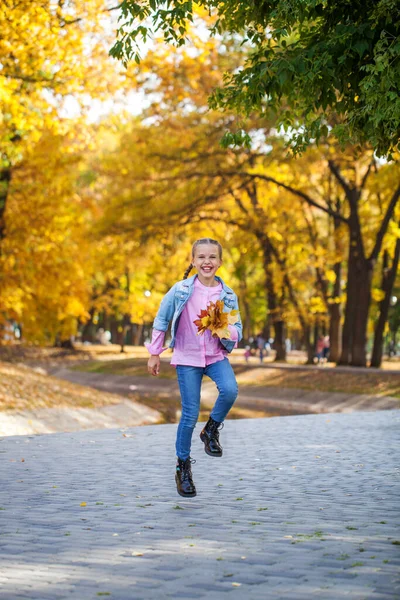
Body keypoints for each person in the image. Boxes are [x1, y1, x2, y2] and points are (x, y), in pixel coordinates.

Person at [146, 238, 242, 498]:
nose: (207, 262)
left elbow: (238, 331)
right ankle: (183, 467)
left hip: (215, 356)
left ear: (220, 262)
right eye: (201, 257)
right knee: (189, 415)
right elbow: (162, 319)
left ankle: (210, 429)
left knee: (230, 390)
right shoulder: (180, 290)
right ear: (193, 261)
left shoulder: (227, 294)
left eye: (212, 257)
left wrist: (224, 328)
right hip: (187, 358)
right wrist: (155, 353)